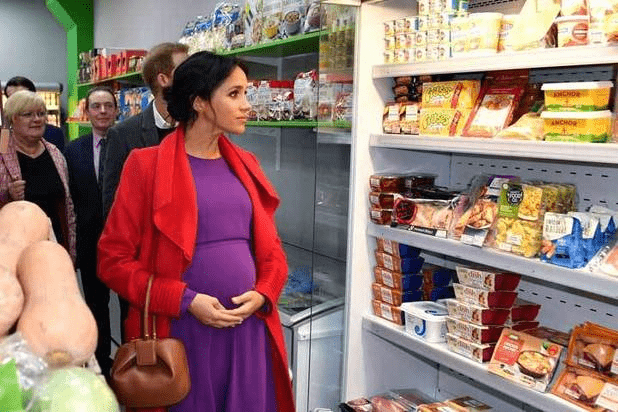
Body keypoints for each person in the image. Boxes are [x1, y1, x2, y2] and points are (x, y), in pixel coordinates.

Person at [97, 51, 294, 411]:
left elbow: (272, 250)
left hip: (247, 330)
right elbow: (112, 261)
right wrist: (185, 300)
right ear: (199, 102)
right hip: (181, 333)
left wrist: (264, 292)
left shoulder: (247, 164)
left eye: (246, 93)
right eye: (234, 94)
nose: (247, 105)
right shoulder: (145, 166)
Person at [64, 86, 117, 380]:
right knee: (96, 305)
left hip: (126, 242)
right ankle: (102, 366)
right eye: (96, 106)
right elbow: (70, 198)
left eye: (108, 105)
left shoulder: (130, 144)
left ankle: (131, 363)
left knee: (130, 305)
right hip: (90, 242)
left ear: (116, 110)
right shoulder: (73, 150)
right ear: (87, 112)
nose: (102, 111)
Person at [100, 42, 188, 218]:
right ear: (163, 79)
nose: (193, 76)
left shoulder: (197, 128)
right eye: (185, 70)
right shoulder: (123, 134)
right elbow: (113, 206)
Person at [0, 90, 75, 261]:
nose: (37, 119)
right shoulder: (3, 152)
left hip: (54, 247)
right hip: (13, 253)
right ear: (13, 119)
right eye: (28, 114)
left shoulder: (55, 154)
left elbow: (67, 206)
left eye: (41, 114)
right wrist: (7, 196)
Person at [4, 76, 66, 151]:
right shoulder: (5, 136)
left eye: (22, 97)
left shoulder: (53, 133)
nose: (18, 102)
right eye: (12, 98)